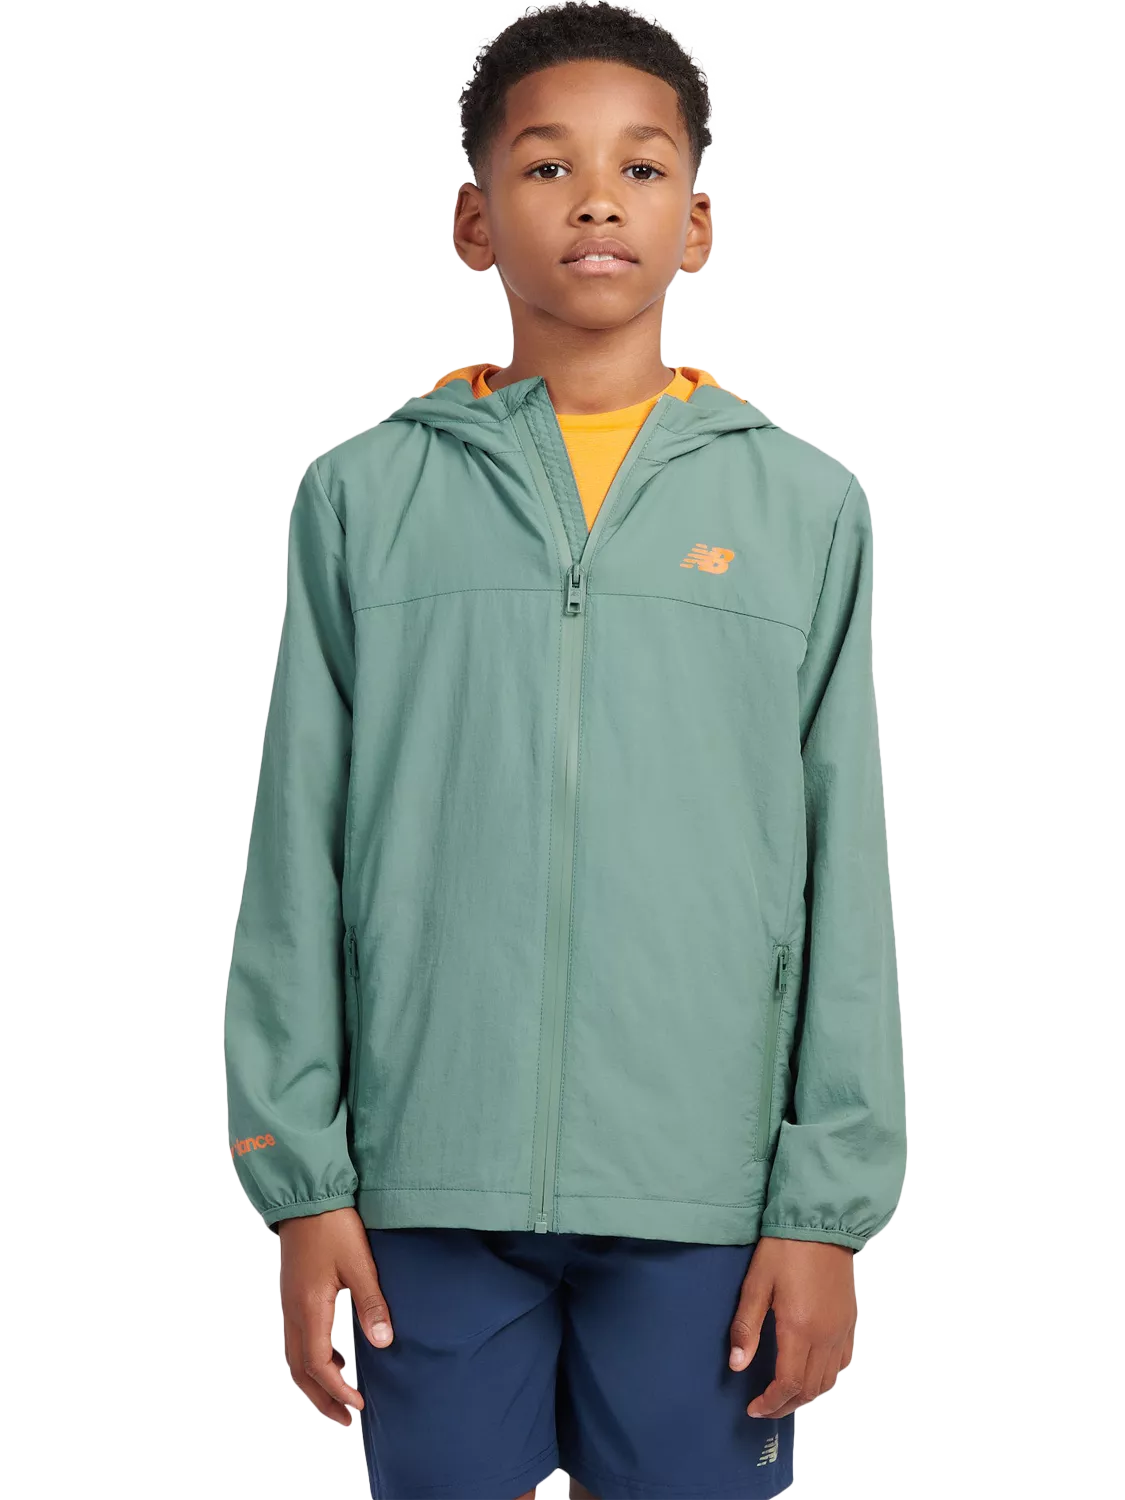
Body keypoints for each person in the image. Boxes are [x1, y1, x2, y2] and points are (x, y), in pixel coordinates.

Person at [222, 4, 907, 1497]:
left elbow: (843, 871)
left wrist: (825, 1209)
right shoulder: (363, 499)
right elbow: (297, 847)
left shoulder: (804, 510)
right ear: (476, 220)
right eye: (548, 167)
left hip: (705, 1192)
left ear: (697, 223)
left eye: (642, 168)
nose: (598, 200)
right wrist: (299, 1179)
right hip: (427, 1180)